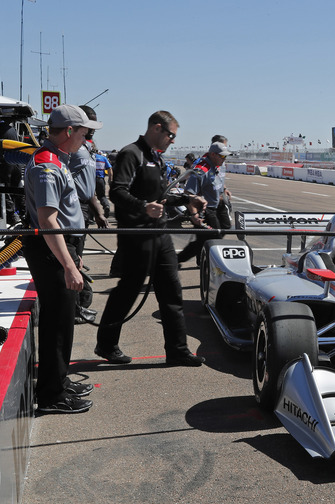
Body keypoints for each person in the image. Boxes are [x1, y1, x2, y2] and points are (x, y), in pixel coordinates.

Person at [95, 110, 207, 367]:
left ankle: (178, 350)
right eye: (171, 135)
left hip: (160, 235)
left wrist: (187, 200)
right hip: (137, 237)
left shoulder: (155, 158)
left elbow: (161, 196)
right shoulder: (131, 153)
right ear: (157, 128)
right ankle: (107, 344)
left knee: (172, 292)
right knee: (127, 291)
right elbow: (117, 193)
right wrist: (143, 206)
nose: (173, 141)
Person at [22, 105, 102, 413]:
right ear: (69, 132)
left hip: (60, 248)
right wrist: (68, 264)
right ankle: (52, 396)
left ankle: (59, 381)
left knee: (64, 322)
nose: (86, 139)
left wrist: (73, 256)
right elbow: (48, 221)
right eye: (83, 133)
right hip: (52, 250)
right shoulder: (47, 166)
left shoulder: (57, 160)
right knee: (57, 324)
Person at [68, 105, 108, 325]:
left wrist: (98, 212)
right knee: (74, 260)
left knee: (78, 259)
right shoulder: (72, 149)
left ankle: (77, 306)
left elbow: (89, 186)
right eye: (88, 123)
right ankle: (74, 310)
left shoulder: (88, 147)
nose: (92, 128)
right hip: (74, 208)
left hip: (85, 209)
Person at [176, 141, 231, 263]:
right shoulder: (201, 170)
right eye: (222, 156)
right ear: (212, 154)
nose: (224, 159)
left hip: (217, 205)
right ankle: (177, 260)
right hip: (204, 210)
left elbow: (219, 181)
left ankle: (200, 259)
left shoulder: (219, 166)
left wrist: (224, 190)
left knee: (224, 227)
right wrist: (194, 214)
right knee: (212, 236)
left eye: (225, 156)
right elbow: (188, 194)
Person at [94, 150, 113, 218]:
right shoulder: (103, 158)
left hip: (91, 179)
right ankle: (106, 206)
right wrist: (110, 179)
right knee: (102, 196)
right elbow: (109, 168)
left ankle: (90, 217)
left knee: (90, 197)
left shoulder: (91, 157)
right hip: (100, 179)